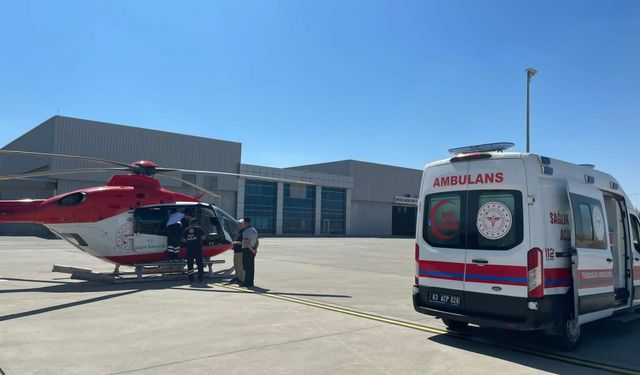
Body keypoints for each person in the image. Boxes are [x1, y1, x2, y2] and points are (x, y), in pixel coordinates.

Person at [182, 218, 206, 284]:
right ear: (196, 223)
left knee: (190, 265)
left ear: (190, 223)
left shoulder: (186, 230)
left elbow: (183, 240)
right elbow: (204, 238)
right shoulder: (199, 229)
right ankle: (200, 278)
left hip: (189, 249)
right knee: (199, 264)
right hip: (198, 249)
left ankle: (191, 278)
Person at [239, 217, 259, 288]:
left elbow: (247, 242)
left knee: (247, 267)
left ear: (245, 223)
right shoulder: (254, 230)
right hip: (253, 249)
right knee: (251, 267)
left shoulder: (246, 231)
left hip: (247, 250)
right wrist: (255, 250)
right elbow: (257, 241)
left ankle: (247, 282)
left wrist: (251, 250)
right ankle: (251, 282)